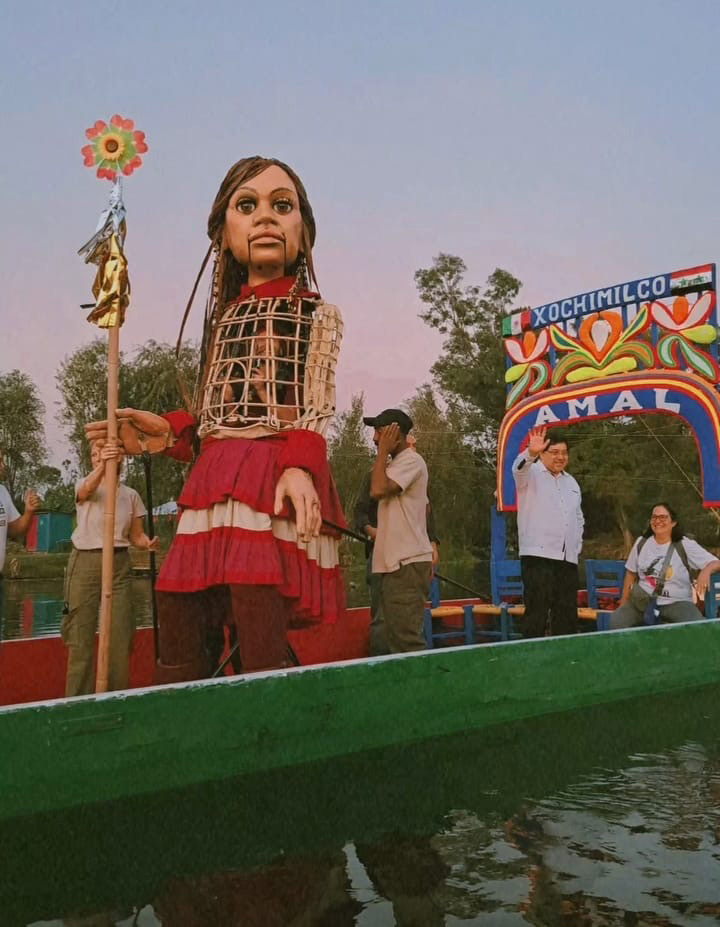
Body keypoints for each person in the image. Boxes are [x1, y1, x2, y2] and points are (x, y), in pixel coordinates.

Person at [86, 157, 346, 681]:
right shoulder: (222, 319)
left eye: (282, 205)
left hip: (270, 472)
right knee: (181, 606)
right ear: (223, 235)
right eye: (247, 205)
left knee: (257, 606)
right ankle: (188, 725)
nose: (266, 218)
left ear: (304, 231)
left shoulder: (316, 314)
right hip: (214, 479)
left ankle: (264, 724)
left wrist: (299, 467)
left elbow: (314, 401)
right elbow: (212, 418)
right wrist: (164, 432)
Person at [62, 441, 156, 696]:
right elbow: (84, 492)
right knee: (80, 636)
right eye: (94, 454)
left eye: (103, 452)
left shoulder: (130, 495)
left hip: (118, 563)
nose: (97, 457)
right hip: (86, 561)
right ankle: (76, 702)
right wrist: (104, 464)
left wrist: (146, 543)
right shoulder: (86, 484)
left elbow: (135, 535)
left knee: (120, 635)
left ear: (122, 457)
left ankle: (115, 699)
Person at [354, 434, 439, 656]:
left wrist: (432, 543)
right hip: (380, 552)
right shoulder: (375, 475)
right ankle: (380, 663)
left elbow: (425, 515)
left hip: (408, 556)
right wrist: (374, 533)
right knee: (381, 616)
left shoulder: (416, 472)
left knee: (404, 619)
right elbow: (360, 513)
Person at [512, 426, 584, 638]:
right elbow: (517, 468)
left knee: (567, 614)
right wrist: (530, 453)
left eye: (564, 452)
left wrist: (576, 545)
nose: (560, 457)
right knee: (537, 613)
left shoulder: (571, 481)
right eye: (554, 452)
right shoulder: (530, 473)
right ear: (542, 453)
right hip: (538, 557)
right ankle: (531, 662)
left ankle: (566, 661)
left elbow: (578, 517)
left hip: (567, 558)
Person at [610, 502, 720, 629]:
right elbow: (630, 573)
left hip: (677, 603)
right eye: (654, 517)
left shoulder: (684, 544)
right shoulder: (641, 542)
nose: (658, 521)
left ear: (673, 522)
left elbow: (716, 562)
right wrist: (624, 602)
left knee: (697, 627)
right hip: (642, 602)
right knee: (616, 621)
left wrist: (706, 570)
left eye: (663, 517)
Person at [0, 449, 40, 627]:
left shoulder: (2, 492)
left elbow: (16, 530)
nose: (3, 466)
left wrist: (29, 512)